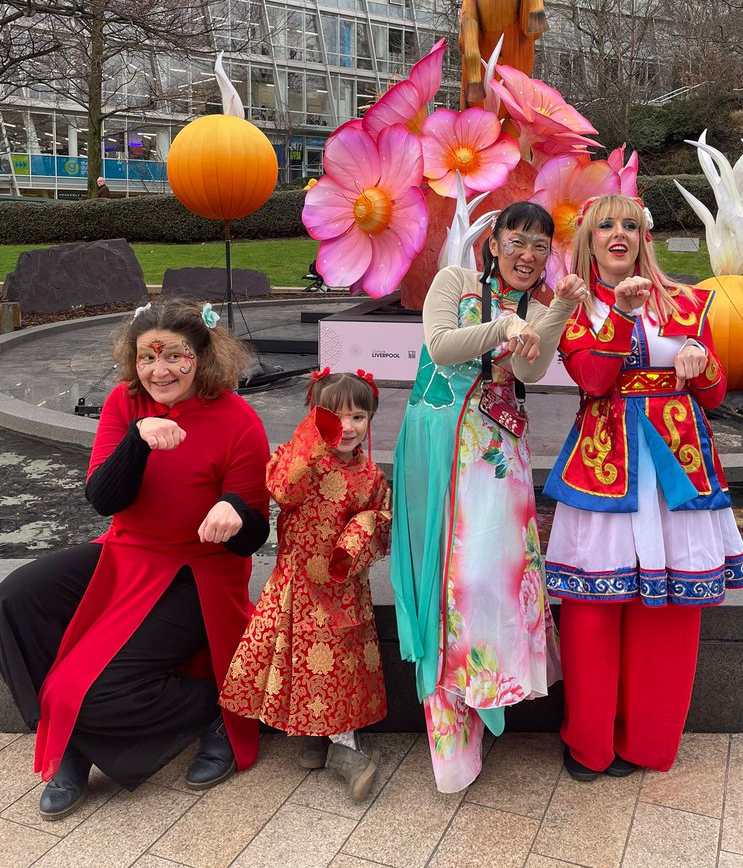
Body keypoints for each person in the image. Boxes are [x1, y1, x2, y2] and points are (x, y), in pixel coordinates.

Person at [0, 298, 270, 819]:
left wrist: (233, 510)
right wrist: (136, 442)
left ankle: (222, 701)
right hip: (125, 553)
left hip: (196, 572)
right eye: (148, 357)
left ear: (203, 357)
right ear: (133, 358)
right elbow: (104, 499)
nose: (159, 370)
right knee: (13, 599)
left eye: (175, 356)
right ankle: (73, 743)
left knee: (100, 690)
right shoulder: (125, 405)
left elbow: (252, 534)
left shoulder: (239, 421)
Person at [543, 194, 743, 782]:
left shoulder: (688, 302)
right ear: (588, 239)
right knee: (592, 610)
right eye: (604, 224)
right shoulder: (575, 307)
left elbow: (713, 392)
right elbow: (592, 377)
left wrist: (699, 361)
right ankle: (590, 744)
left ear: (644, 237)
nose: (618, 234)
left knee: (672, 613)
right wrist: (624, 316)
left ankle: (649, 742)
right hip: (606, 470)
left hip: (677, 475)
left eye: (629, 224)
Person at [391, 202, 589, 793]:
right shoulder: (453, 281)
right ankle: (449, 731)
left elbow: (530, 373)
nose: (528, 254)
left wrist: (557, 310)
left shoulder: (533, 302)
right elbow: (442, 345)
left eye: (540, 244)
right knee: (448, 578)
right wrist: (503, 325)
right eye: (517, 239)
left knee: (490, 580)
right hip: (440, 439)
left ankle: (481, 696)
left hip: (498, 450)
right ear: (495, 241)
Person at [220, 368, 391, 803]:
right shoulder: (300, 462)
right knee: (302, 656)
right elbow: (282, 489)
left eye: (357, 417)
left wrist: (362, 531)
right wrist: (313, 440)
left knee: (337, 663)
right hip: (298, 579)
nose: (347, 428)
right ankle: (334, 748)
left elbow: (382, 521)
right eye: (333, 417)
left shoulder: (371, 477)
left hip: (343, 586)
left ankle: (332, 745)